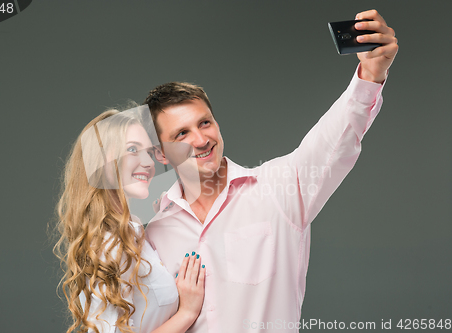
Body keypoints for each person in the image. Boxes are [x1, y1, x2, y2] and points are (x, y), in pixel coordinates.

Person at [143, 9, 398, 333]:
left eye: (205, 122)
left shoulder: (280, 188)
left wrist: (370, 75)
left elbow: (335, 138)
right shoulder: (153, 229)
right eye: (181, 134)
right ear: (161, 154)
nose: (201, 139)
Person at [53, 107, 206, 333]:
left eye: (149, 152)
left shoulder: (131, 232)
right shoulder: (108, 245)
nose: (148, 163)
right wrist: (187, 313)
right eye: (133, 150)